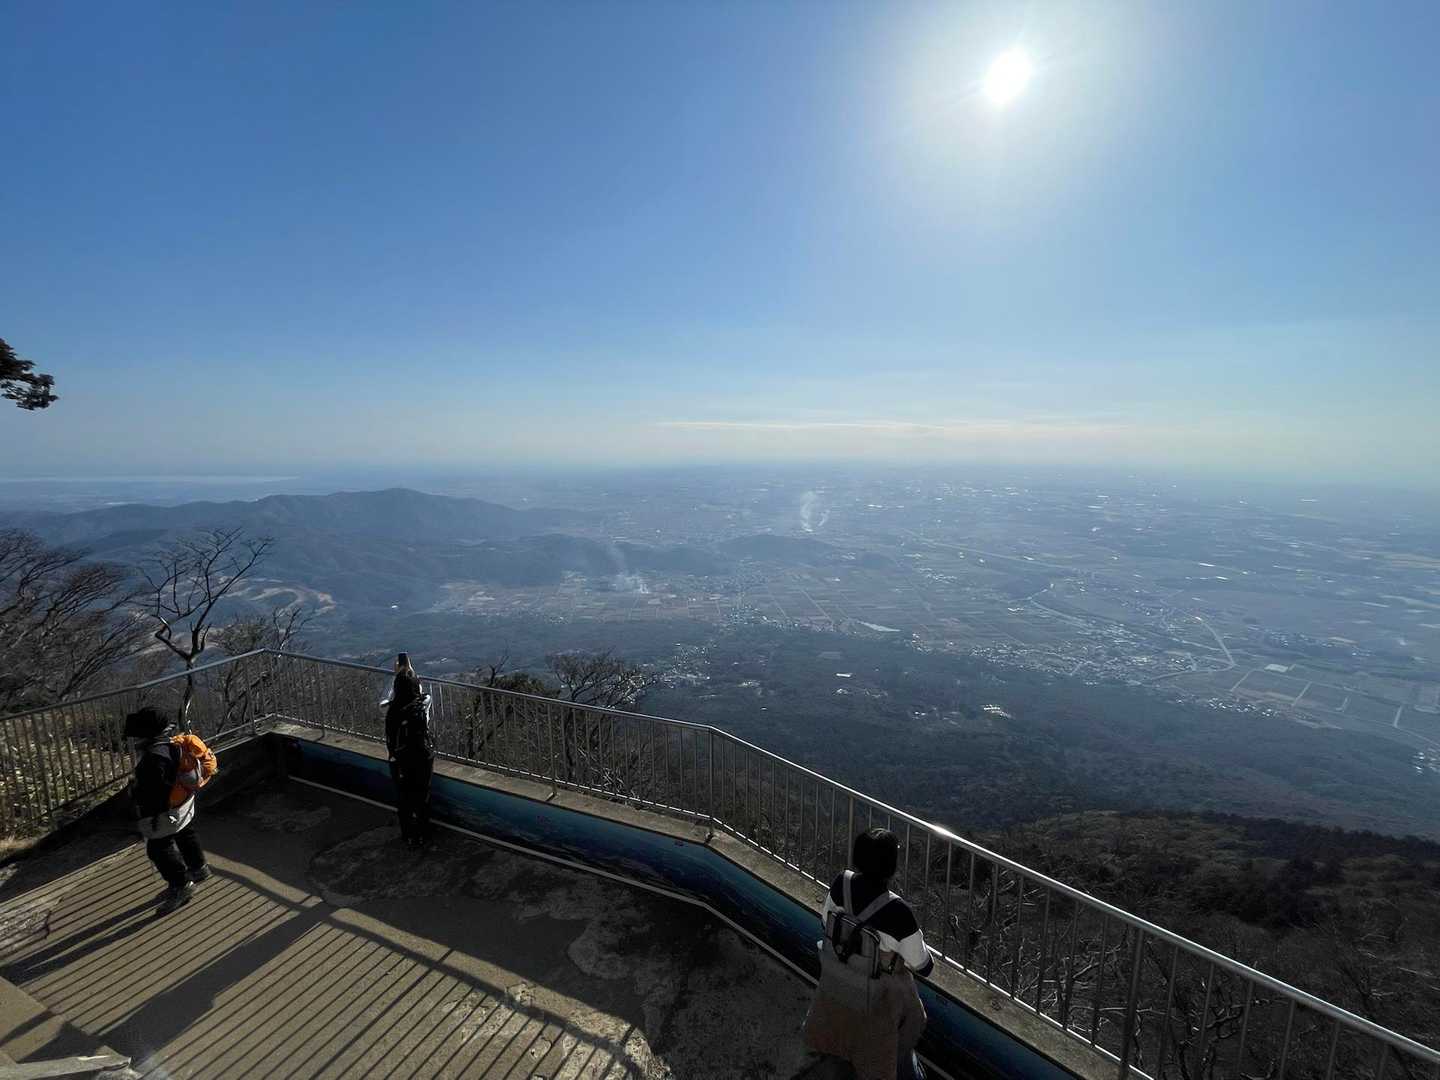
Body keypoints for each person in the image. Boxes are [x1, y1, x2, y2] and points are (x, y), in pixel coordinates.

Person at [803, 828, 932, 1080]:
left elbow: (825, 922)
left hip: (838, 984)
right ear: (891, 866)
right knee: (904, 1039)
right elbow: (924, 966)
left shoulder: (842, 884)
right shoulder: (898, 912)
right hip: (879, 999)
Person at [125, 707, 214, 915]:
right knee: (185, 832)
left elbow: (153, 793)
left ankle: (181, 885)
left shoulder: (153, 759)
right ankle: (199, 868)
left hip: (165, 810)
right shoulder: (174, 743)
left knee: (158, 849)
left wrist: (138, 800)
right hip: (184, 802)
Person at [384, 652, 434, 847]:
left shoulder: (392, 711)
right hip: (423, 754)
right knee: (423, 794)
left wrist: (398, 674)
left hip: (400, 758)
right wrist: (409, 671)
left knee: (404, 796)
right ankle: (423, 833)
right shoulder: (422, 704)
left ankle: (408, 835)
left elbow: (386, 700)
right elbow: (422, 691)